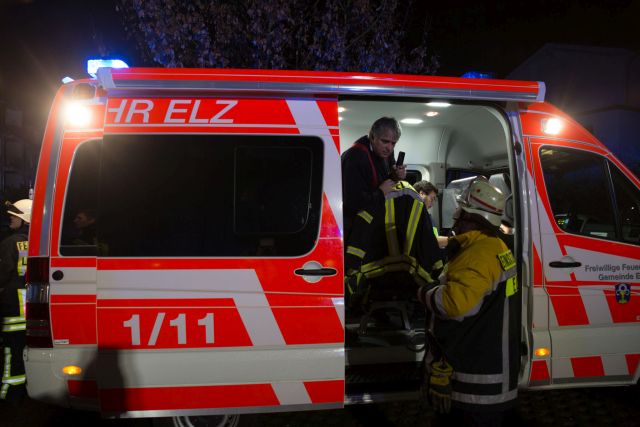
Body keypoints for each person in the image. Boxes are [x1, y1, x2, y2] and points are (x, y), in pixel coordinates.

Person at [416, 177, 518, 426]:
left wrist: (424, 290)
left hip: (474, 384)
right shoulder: (493, 246)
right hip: (485, 369)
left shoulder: (479, 255)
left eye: (460, 212)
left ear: (473, 218)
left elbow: (453, 304)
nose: (455, 217)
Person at [341, 117, 407, 239]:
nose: (389, 148)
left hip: (372, 225)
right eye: (385, 141)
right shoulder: (354, 157)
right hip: (353, 229)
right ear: (372, 136)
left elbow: (385, 180)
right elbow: (351, 201)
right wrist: (380, 193)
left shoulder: (386, 153)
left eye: (393, 143)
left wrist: (396, 176)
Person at [0, 199, 32, 404]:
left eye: (15, 215)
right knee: (26, 349)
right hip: (32, 307)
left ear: (25, 219)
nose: (10, 217)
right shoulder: (39, 242)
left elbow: (2, 275)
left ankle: (11, 391)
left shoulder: (10, 243)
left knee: (11, 350)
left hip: (13, 307)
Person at [414, 180, 449, 248]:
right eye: (432, 199)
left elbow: (434, 237)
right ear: (421, 194)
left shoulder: (426, 216)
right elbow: (429, 241)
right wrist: (453, 240)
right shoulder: (416, 217)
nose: (432, 204)